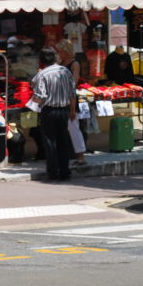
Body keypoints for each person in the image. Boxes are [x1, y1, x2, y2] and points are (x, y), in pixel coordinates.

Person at [31, 46, 76, 181]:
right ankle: (65, 171)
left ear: (41, 61)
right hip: (63, 110)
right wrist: (72, 110)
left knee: (50, 142)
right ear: (55, 58)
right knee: (63, 142)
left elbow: (39, 96)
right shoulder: (66, 71)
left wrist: (33, 95)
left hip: (49, 111)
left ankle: (53, 173)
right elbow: (72, 92)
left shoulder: (42, 74)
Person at [56, 40, 87, 168]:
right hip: (60, 98)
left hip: (70, 98)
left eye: (61, 51)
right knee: (63, 129)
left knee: (74, 128)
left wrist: (72, 108)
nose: (59, 53)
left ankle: (81, 156)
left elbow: (73, 82)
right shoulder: (60, 63)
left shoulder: (74, 64)